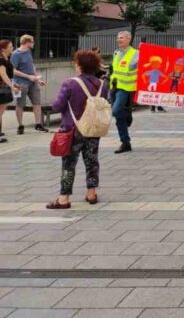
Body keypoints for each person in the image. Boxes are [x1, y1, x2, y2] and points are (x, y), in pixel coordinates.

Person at [46, 49, 108, 209]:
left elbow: (57, 106)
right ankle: (91, 193)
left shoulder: (70, 83)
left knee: (69, 163)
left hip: (72, 129)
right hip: (93, 129)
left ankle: (64, 198)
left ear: (79, 65)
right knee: (92, 161)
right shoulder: (102, 84)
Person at [10, 35, 48, 134]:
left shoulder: (28, 52)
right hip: (20, 83)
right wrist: (28, 76)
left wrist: (37, 79)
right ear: (27, 42)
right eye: (32, 41)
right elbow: (12, 70)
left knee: (37, 103)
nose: (33, 43)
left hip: (33, 82)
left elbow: (31, 65)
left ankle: (38, 125)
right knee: (20, 104)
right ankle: (20, 126)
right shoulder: (16, 54)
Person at [111, 31, 137, 154]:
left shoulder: (136, 54)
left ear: (129, 39)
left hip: (126, 88)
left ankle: (127, 113)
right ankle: (125, 143)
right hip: (114, 87)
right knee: (118, 115)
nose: (119, 40)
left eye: (121, 38)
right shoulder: (116, 52)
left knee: (116, 111)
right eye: (118, 38)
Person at [0, 40, 21, 143]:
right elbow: (3, 75)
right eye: (10, 47)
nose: (12, 48)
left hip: (4, 88)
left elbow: (9, 74)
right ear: (3, 49)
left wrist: (14, 84)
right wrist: (12, 86)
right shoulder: (1, 60)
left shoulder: (6, 59)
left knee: (1, 112)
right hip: (2, 89)